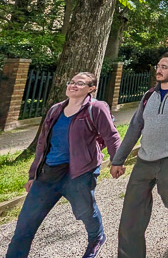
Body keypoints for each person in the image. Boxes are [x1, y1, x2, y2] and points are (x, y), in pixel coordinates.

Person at [7, 72, 121, 258]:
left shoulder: (96, 108)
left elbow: (112, 136)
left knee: (86, 212)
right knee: (24, 225)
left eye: (80, 83)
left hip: (79, 172)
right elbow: (43, 143)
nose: (73, 85)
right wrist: (33, 174)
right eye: (72, 82)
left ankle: (97, 236)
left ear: (91, 89)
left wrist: (117, 161)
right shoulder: (56, 110)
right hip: (48, 174)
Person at [110, 53, 168, 257]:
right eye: (157, 66)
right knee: (131, 213)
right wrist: (118, 160)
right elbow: (134, 128)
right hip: (144, 160)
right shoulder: (148, 96)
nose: (158, 70)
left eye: (164, 67)